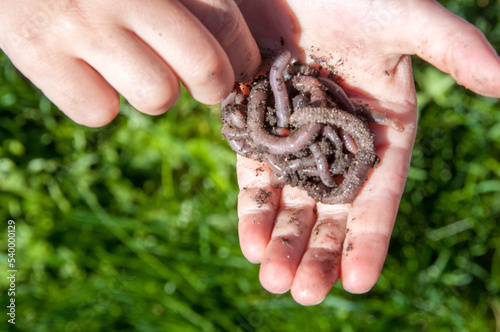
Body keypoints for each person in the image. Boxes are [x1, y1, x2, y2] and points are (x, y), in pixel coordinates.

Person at [1, 0, 498, 306]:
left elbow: (307, 115)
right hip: (293, 132)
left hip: (303, 131)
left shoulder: (301, 109)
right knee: (307, 141)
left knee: (320, 143)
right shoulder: (278, 111)